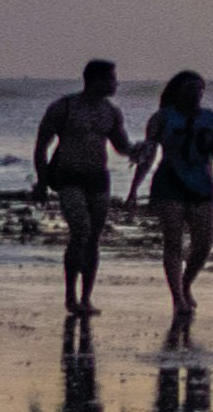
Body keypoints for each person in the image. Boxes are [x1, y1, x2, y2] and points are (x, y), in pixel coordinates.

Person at [127, 68, 213, 346]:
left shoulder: (211, 118)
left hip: (202, 186)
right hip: (169, 184)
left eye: (201, 89)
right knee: (173, 243)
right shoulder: (162, 118)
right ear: (177, 91)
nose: (197, 94)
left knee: (204, 243)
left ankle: (186, 282)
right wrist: (134, 188)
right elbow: (149, 154)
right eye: (191, 89)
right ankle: (178, 297)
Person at [30, 58, 135, 334]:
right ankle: (70, 296)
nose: (115, 83)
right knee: (81, 230)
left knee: (93, 238)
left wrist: (140, 150)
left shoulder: (111, 112)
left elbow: (122, 146)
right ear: (95, 79)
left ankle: (86, 297)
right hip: (68, 177)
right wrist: (41, 182)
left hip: (98, 179)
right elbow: (42, 145)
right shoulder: (64, 107)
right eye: (111, 78)